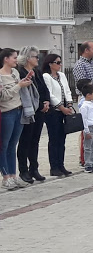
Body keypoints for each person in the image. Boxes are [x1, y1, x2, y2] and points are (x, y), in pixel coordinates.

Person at [0, 48, 34, 190]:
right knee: (4, 145)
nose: (16, 59)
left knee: (13, 145)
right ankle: (6, 177)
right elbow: (3, 96)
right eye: (14, 57)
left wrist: (23, 82)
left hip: (19, 111)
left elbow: (17, 88)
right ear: (6, 59)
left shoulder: (15, 72)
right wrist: (18, 86)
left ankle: (14, 176)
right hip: (6, 112)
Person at [16, 46, 49, 184]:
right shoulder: (20, 72)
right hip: (28, 112)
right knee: (25, 141)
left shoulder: (36, 72)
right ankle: (23, 170)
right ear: (28, 58)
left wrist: (46, 102)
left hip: (40, 112)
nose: (38, 59)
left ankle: (34, 168)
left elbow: (43, 89)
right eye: (36, 56)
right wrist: (41, 105)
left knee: (35, 141)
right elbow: (26, 94)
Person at [42, 53, 74, 177]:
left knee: (62, 138)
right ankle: (54, 166)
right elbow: (50, 94)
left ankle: (61, 164)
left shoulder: (61, 75)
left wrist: (70, 105)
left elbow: (67, 90)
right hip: (53, 111)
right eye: (57, 62)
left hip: (64, 110)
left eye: (60, 62)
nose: (60, 65)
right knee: (54, 139)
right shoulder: (46, 76)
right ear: (50, 64)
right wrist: (61, 107)